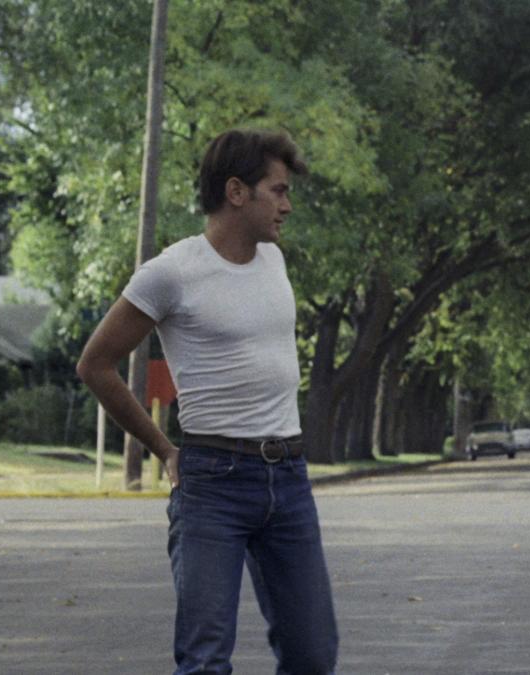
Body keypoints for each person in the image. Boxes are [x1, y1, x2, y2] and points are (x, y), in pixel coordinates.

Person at [77, 129, 338, 674]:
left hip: (288, 479)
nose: (287, 206)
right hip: (213, 482)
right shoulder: (171, 272)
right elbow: (95, 364)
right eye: (279, 191)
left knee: (313, 656)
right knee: (204, 660)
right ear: (237, 191)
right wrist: (163, 448)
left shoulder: (274, 261)